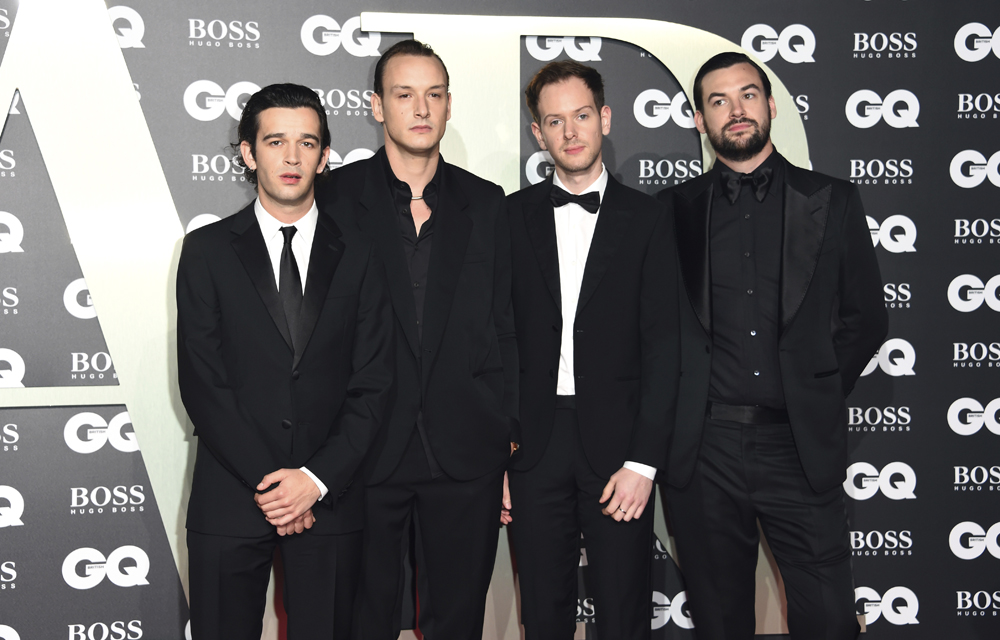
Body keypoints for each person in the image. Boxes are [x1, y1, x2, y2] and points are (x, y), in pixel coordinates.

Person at [656, 52, 888, 640]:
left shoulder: (832, 199)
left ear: (771, 104)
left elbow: (865, 320)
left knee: (830, 618)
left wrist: (814, 391)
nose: (736, 111)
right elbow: (655, 330)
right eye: (718, 100)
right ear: (699, 119)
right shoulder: (671, 210)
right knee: (719, 620)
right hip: (704, 449)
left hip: (797, 444)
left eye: (748, 95)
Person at [316, 40, 518, 640]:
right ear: (377, 106)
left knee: (458, 622)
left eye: (434, 94)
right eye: (404, 95)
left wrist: (510, 447)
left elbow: (506, 329)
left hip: (465, 455)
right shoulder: (332, 199)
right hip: (365, 452)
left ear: (450, 105)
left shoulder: (486, 204)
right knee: (362, 621)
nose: (421, 108)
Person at [177, 83, 393, 640]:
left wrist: (314, 481)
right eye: (275, 142)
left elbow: (374, 382)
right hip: (230, 496)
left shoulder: (363, 255)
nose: (292, 157)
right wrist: (276, 487)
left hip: (330, 499)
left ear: (325, 157)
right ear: (249, 153)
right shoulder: (205, 250)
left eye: (307, 143)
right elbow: (204, 383)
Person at [505, 60, 679, 640]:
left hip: (620, 449)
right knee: (543, 609)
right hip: (532, 444)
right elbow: (491, 343)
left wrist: (643, 462)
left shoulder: (651, 219)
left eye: (581, 116)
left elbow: (664, 348)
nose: (570, 132)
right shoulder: (508, 216)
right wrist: (496, 456)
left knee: (625, 606)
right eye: (554, 122)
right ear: (538, 133)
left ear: (604, 118)